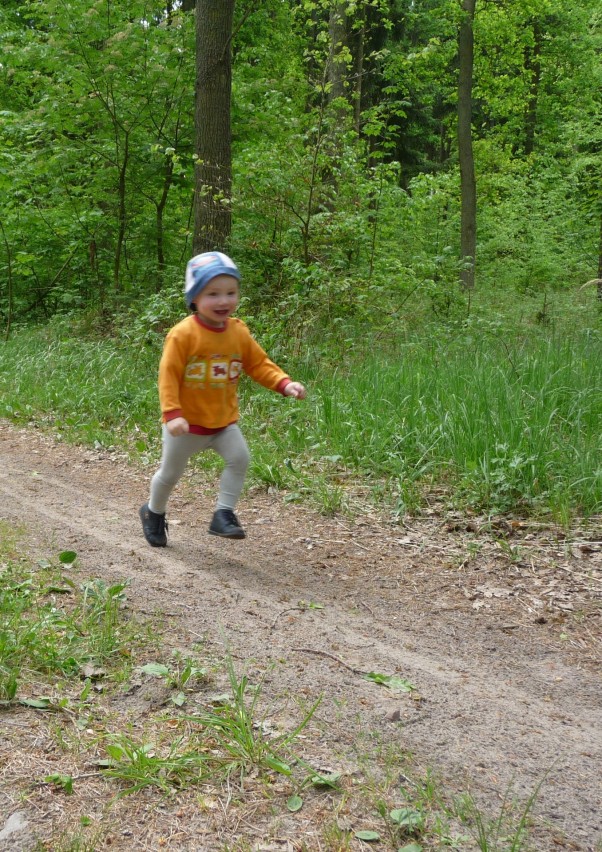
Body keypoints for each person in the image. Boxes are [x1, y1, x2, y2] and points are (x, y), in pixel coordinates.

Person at [139, 251, 306, 547]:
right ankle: (153, 512)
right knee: (170, 474)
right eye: (213, 293)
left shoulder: (238, 332)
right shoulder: (183, 335)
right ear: (194, 298)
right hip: (185, 425)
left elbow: (258, 363)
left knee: (240, 458)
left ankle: (224, 514)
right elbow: (168, 375)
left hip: (222, 423)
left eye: (231, 292)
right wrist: (172, 413)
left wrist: (284, 383)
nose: (223, 301)